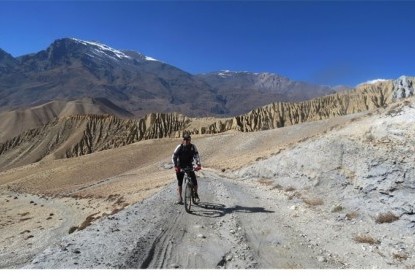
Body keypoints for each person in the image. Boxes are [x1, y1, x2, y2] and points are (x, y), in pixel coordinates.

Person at [172, 133, 202, 204]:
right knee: (180, 182)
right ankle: (180, 198)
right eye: (184, 139)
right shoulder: (180, 147)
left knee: (194, 181)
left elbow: (196, 155)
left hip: (189, 165)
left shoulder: (193, 147)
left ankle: (195, 195)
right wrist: (176, 166)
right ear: (183, 140)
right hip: (180, 166)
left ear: (190, 140)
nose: (186, 141)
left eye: (187, 140)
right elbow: (174, 156)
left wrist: (198, 164)